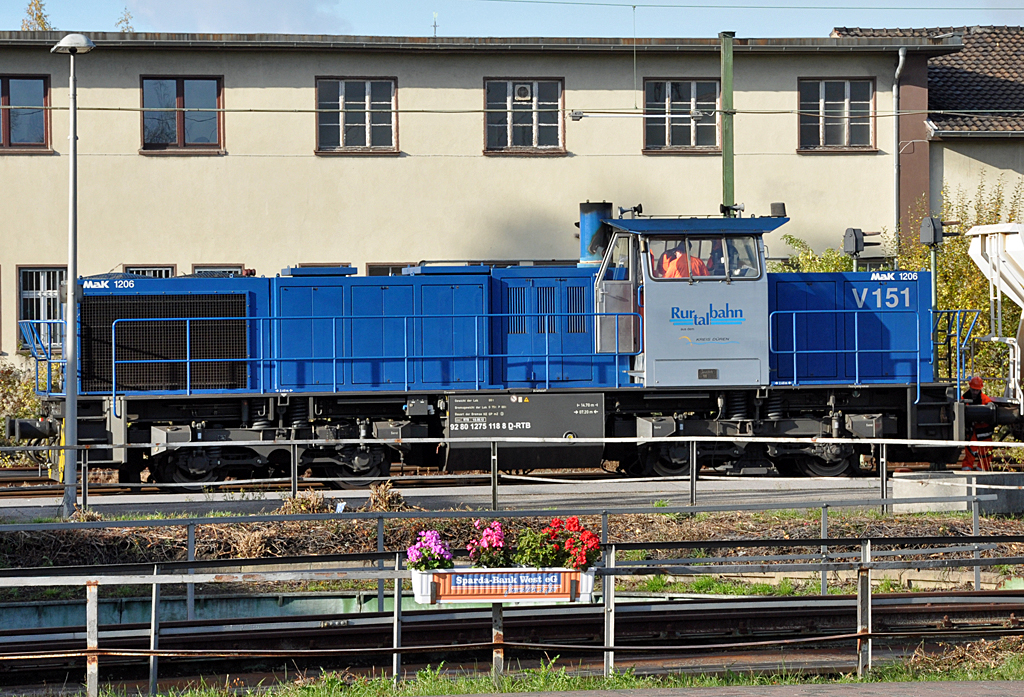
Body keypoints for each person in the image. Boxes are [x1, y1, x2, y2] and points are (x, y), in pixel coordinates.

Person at [962, 376, 993, 471]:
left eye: (977, 390)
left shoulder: (985, 400)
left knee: (986, 454)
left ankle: (981, 472)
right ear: (970, 388)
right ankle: (966, 472)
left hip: (984, 432)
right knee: (970, 453)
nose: (975, 392)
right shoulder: (964, 398)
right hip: (972, 432)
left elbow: (991, 412)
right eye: (973, 390)